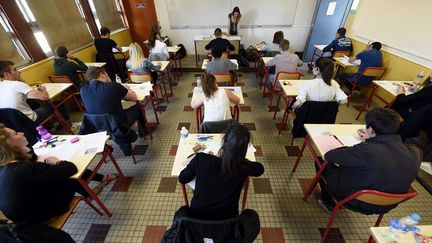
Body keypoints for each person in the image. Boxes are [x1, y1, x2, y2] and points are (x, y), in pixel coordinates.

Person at [0, 124, 118, 224]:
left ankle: (98, 183)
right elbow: (71, 169)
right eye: (16, 133)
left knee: (57, 172)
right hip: (40, 218)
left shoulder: (6, 167)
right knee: (67, 175)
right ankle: (90, 193)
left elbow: (32, 160)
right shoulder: (26, 169)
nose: (21, 133)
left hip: (26, 218)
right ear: (10, 144)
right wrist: (57, 161)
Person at [315, 108, 422, 214]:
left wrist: (367, 143)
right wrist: (371, 140)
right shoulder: (415, 152)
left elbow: (330, 155)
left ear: (370, 130)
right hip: (388, 204)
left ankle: (328, 202)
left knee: (321, 162)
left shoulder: (366, 150)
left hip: (354, 200)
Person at [179, 124, 264, 220]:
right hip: (228, 223)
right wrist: (241, 161)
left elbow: (182, 178)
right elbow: (260, 169)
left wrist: (208, 159)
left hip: (197, 221)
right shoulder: (242, 166)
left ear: (224, 141)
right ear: (244, 149)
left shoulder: (201, 159)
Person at [80, 67, 147, 137]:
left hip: (97, 128)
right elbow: (134, 98)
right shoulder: (113, 86)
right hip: (118, 125)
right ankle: (143, 131)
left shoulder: (83, 90)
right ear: (102, 75)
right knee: (139, 106)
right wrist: (128, 90)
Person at [0, 60, 70, 124]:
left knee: (35, 103)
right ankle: (67, 124)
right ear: (6, 74)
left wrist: (18, 78)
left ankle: (50, 127)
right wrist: (43, 90)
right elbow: (45, 97)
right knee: (56, 104)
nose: (19, 71)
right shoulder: (17, 85)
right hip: (27, 121)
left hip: (12, 124)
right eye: (15, 69)